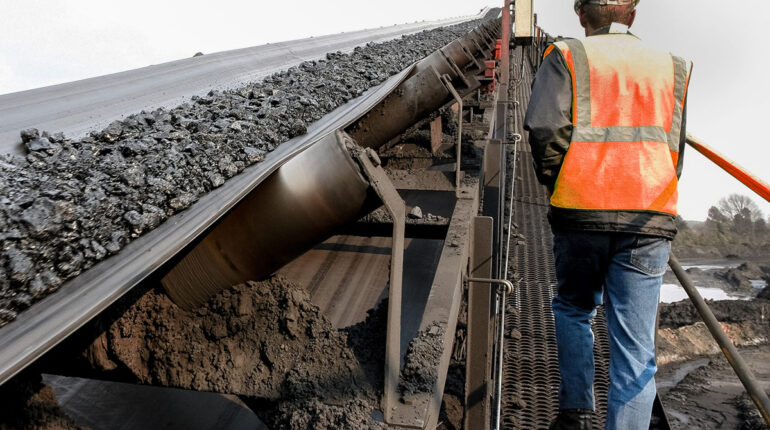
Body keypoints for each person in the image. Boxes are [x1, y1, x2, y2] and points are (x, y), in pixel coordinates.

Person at [523, 1, 692, 429]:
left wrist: (556, 181)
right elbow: (674, 147)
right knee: (636, 353)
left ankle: (577, 412)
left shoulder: (567, 55)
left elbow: (544, 129)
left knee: (574, 308)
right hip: (648, 218)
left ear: (582, 14)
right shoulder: (672, 65)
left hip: (580, 211)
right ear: (632, 15)